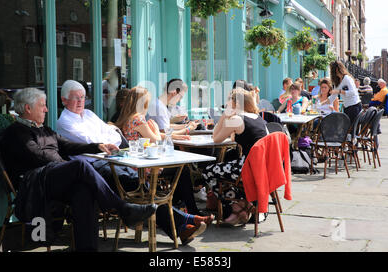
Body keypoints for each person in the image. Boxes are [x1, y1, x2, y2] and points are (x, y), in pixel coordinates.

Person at [0, 87, 157, 251]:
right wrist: (66, 165)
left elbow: (68, 145)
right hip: (36, 181)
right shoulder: (16, 132)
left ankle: (87, 248)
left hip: (53, 176)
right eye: (42, 105)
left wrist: (98, 146)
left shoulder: (44, 129)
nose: (46, 109)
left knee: (84, 191)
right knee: (81, 165)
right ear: (28, 108)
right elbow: (37, 156)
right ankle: (123, 208)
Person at [56, 80, 211, 244]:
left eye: (82, 97)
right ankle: (184, 222)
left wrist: (105, 141)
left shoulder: (89, 115)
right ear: (64, 100)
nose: (81, 101)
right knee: (138, 187)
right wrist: (103, 141)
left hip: (113, 161)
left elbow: (114, 135)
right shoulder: (65, 121)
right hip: (93, 167)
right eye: (75, 98)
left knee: (143, 189)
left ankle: (182, 226)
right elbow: (91, 141)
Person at [116, 86, 209, 217]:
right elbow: (156, 140)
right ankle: (188, 209)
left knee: (180, 171)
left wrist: (176, 136)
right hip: (145, 166)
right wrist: (158, 132)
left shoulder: (128, 118)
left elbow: (152, 135)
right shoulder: (138, 119)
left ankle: (175, 206)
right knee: (183, 170)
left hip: (134, 164)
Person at [201, 88, 268, 226]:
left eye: (229, 100)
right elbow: (235, 136)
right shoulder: (257, 118)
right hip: (262, 168)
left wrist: (224, 115)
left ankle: (237, 205)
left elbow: (216, 138)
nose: (227, 102)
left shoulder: (237, 119)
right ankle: (242, 204)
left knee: (207, 171)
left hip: (247, 169)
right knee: (225, 166)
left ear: (236, 103)